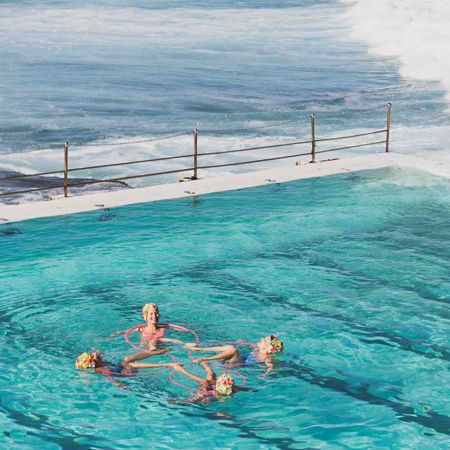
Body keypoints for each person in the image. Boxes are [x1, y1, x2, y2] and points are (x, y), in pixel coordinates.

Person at [110, 303, 189, 365]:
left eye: (156, 313)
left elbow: (180, 329)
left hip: (159, 348)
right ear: (146, 316)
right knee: (128, 360)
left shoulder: (163, 328)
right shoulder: (141, 329)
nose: (154, 316)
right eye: (151, 314)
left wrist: (189, 331)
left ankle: (158, 349)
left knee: (156, 340)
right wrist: (115, 334)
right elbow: (125, 332)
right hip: (144, 350)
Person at [75, 348, 183, 390]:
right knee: (129, 362)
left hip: (121, 367)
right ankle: (166, 364)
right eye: (92, 356)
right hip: (126, 372)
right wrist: (122, 386)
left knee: (128, 359)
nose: (94, 354)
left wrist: (96, 351)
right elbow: (111, 379)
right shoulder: (102, 369)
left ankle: (157, 352)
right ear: (94, 363)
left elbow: (98, 353)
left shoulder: (99, 362)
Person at [185, 335, 284, 374]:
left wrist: (265, 374)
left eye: (264, 340)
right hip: (232, 360)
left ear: (267, 349)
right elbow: (249, 344)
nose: (262, 338)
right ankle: (199, 349)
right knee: (230, 347)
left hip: (236, 365)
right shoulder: (258, 349)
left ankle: (204, 358)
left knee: (234, 350)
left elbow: (270, 365)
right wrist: (243, 342)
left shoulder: (265, 357)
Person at [172, 361, 236, 403]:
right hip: (218, 392)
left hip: (204, 400)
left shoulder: (208, 393)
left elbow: (190, 401)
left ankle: (181, 370)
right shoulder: (233, 388)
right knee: (210, 377)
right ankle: (205, 364)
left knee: (205, 381)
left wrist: (176, 401)